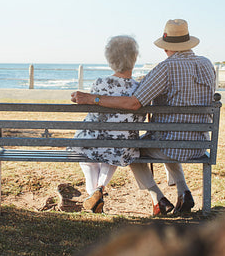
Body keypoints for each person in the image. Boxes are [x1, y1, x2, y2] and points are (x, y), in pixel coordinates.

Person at [71, 19, 216, 216]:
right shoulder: (207, 64)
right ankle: (184, 192)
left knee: (133, 149)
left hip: (171, 144)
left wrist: (93, 98)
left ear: (166, 48)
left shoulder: (166, 68)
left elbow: (134, 103)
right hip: (198, 144)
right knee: (167, 139)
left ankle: (158, 198)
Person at [68, 35, 145, 213]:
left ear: (110, 60)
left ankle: (92, 192)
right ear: (134, 59)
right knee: (112, 154)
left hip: (94, 141)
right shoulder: (139, 88)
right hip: (123, 146)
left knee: (87, 158)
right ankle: (100, 188)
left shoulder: (100, 83)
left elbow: (94, 114)